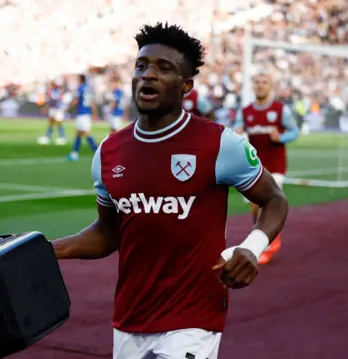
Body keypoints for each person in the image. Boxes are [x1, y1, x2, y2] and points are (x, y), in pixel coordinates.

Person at [52, 23, 289, 359]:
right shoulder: (108, 152)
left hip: (194, 318)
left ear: (186, 85)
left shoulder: (220, 143)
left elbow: (274, 199)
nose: (148, 75)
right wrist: (47, 250)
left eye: (164, 68)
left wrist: (252, 246)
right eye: (141, 66)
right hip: (130, 317)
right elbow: (108, 233)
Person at [234, 73, 299, 264]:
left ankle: (269, 242)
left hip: (275, 165)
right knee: (256, 207)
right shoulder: (245, 111)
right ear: (253, 86)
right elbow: (238, 127)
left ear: (270, 86)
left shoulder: (280, 109)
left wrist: (282, 138)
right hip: (253, 165)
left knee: (264, 203)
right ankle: (266, 237)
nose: (260, 86)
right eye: (257, 82)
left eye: (264, 83)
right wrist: (237, 131)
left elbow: (294, 131)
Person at [67, 74, 98, 161]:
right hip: (87, 114)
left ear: (80, 80)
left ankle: (97, 151)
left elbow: (76, 101)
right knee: (79, 133)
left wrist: (67, 108)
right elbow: (93, 103)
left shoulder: (80, 88)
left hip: (81, 113)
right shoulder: (89, 89)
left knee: (85, 133)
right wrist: (94, 114)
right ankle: (74, 153)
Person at [38, 81, 67, 145]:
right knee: (52, 123)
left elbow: (54, 101)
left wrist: (47, 108)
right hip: (55, 109)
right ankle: (49, 136)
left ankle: (61, 137)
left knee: (58, 123)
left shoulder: (56, 91)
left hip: (56, 109)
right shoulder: (55, 91)